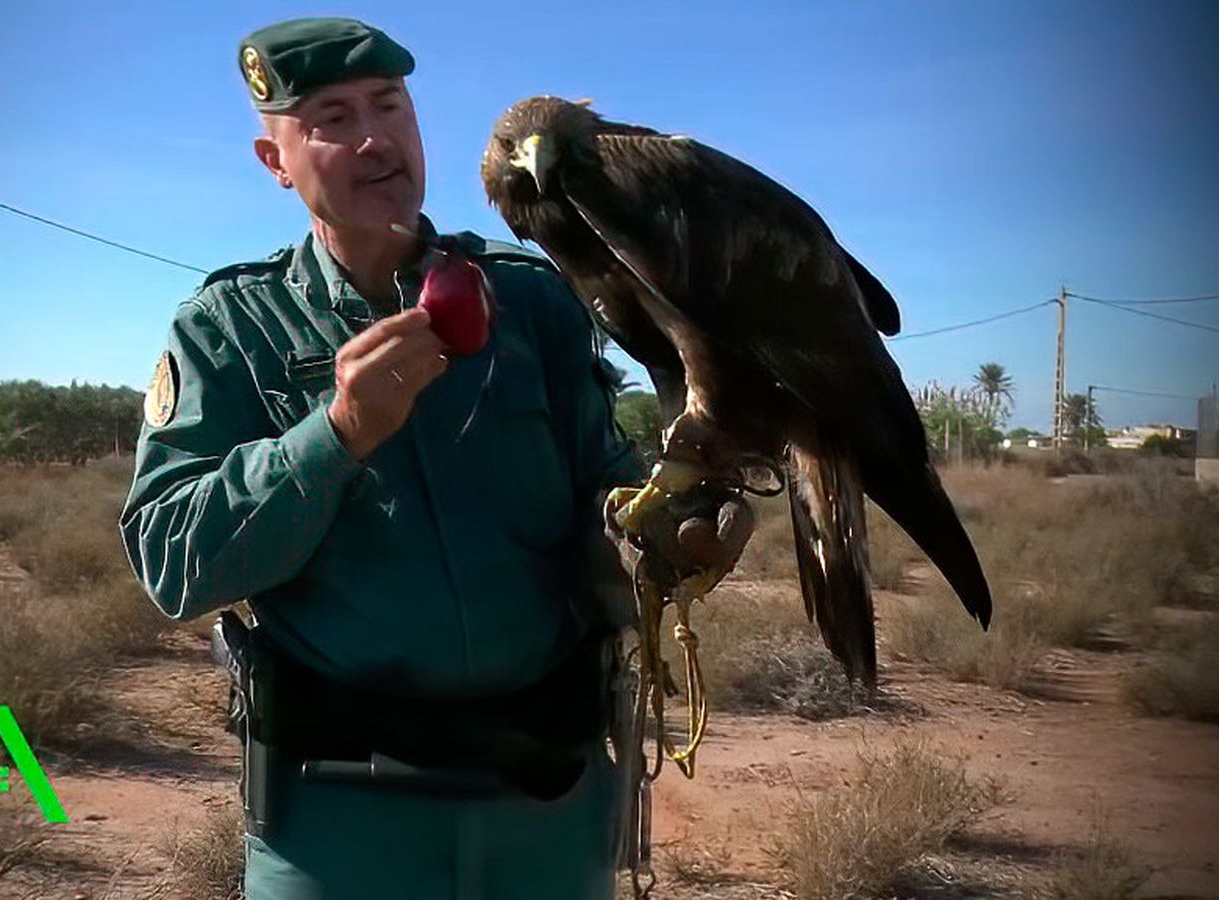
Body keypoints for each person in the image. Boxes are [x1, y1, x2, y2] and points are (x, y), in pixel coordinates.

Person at [118, 17, 747, 900]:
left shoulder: (533, 301)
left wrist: (654, 536)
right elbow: (174, 562)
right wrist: (333, 434)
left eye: (390, 105)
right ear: (276, 161)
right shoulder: (228, 329)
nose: (376, 136)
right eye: (332, 117)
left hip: (548, 809)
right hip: (337, 826)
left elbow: (601, 504)